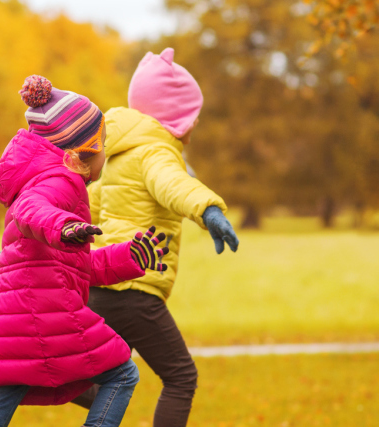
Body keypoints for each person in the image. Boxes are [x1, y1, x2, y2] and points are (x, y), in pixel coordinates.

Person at [0, 75, 169, 427]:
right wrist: (64, 226)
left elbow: (75, 266)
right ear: (82, 153)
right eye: (102, 143)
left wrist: (130, 258)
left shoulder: (45, 178)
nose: (106, 151)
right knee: (122, 374)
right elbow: (32, 211)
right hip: (44, 315)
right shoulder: (58, 181)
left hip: (13, 324)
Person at [77, 47, 240, 427]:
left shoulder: (116, 155)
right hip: (136, 288)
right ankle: (24, 381)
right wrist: (208, 210)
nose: (195, 124)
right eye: (193, 116)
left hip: (101, 285)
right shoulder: (156, 152)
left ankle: (28, 381)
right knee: (181, 378)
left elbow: (88, 209)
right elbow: (173, 185)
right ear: (177, 118)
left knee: (109, 380)